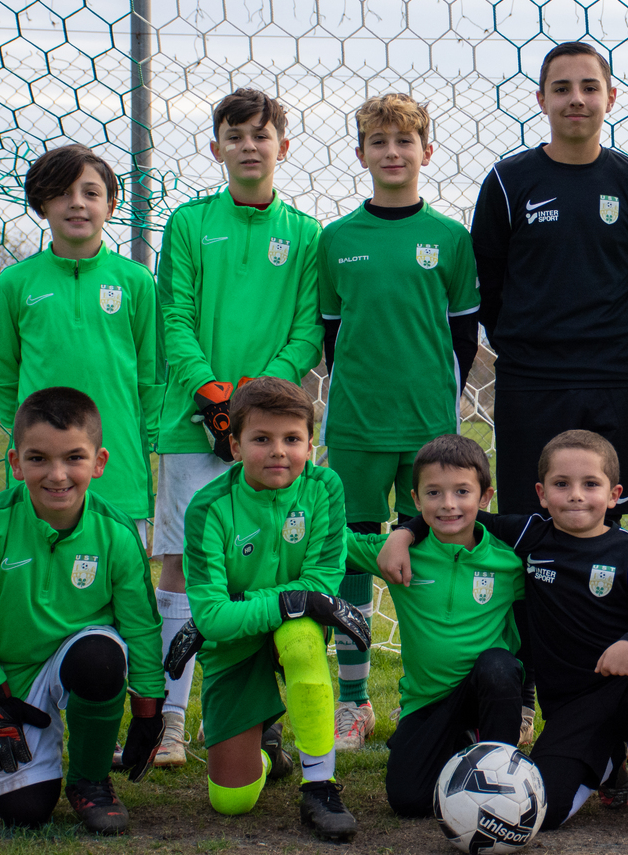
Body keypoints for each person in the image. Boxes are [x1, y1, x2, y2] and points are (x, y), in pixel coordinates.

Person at [376, 430, 628, 839]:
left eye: (590, 484)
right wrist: (403, 534)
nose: (576, 496)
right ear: (542, 494)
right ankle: (608, 762)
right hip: (573, 709)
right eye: (561, 484)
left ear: (614, 494)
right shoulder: (530, 535)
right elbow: (457, 514)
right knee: (539, 815)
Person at [150, 88, 323, 766]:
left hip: (270, 427)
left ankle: (259, 716)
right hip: (194, 423)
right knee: (182, 562)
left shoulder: (305, 234)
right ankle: (168, 719)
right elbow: (174, 317)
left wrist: (254, 401)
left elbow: (307, 329)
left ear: (284, 145)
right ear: (215, 147)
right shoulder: (189, 224)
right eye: (235, 134)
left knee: (267, 564)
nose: (249, 145)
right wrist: (214, 393)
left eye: (261, 133)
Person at [319, 93, 480, 752]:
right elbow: (333, 337)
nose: (392, 152)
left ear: (426, 152)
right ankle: (354, 702)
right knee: (352, 558)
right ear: (360, 154)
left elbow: (462, 338)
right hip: (356, 428)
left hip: (428, 434)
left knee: (431, 556)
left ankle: (432, 699)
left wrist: (434, 409)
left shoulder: (451, 239)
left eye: (404, 141)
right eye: (379, 142)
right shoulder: (336, 240)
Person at [0, 386, 164, 833]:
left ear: (98, 462)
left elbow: (141, 627)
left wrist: (148, 710)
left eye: (74, 458)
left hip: (82, 654)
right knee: (26, 813)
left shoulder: (117, 533)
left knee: (100, 656)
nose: (57, 475)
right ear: (16, 462)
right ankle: (33, 752)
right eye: (38, 458)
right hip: (14, 679)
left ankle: (90, 778)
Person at [163, 378, 370, 841]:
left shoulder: (325, 487)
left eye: (292, 439)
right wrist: (293, 600)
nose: (279, 451)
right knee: (231, 802)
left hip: (290, 629)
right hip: (233, 643)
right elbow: (213, 618)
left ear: (310, 445)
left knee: (302, 638)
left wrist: (282, 603)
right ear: (235, 446)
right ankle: (265, 746)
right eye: (262, 439)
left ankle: (320, 786)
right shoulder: (207, 509)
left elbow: (319, 584)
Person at [472, 41, 628, 520]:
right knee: (527, 517)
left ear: (611, 98)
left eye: (589, 87)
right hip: (530, 378)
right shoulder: (507, 182)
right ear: (542, 100)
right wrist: (524, 343)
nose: (576, 98)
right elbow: (488, 283)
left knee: (603, 519)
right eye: (561, 89)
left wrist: (609, 337)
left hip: (610, 377)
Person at [345, 435, 525, 817]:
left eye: (462, 491)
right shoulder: (399, 554)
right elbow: (334, 541)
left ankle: (501, 771)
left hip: (487, 693)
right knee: (409, 801)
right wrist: (400, 534)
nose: (448, 504)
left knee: (498, 666)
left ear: (485, 497)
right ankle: (459, 743)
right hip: (428, 702)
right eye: (433, 493)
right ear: (415, 499)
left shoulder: (509, 561)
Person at [0, 145, 160, 532]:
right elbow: (2, 375)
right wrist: (31, 440)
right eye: (62, 192)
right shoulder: (14, 283)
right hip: (44, 479)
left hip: (120, 472)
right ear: (41, 204)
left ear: (111, 206)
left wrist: (142, 439)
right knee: (40, 567)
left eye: (90, 193)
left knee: (120, 569)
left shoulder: (137, 282)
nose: (77, 203)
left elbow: (152, 378)